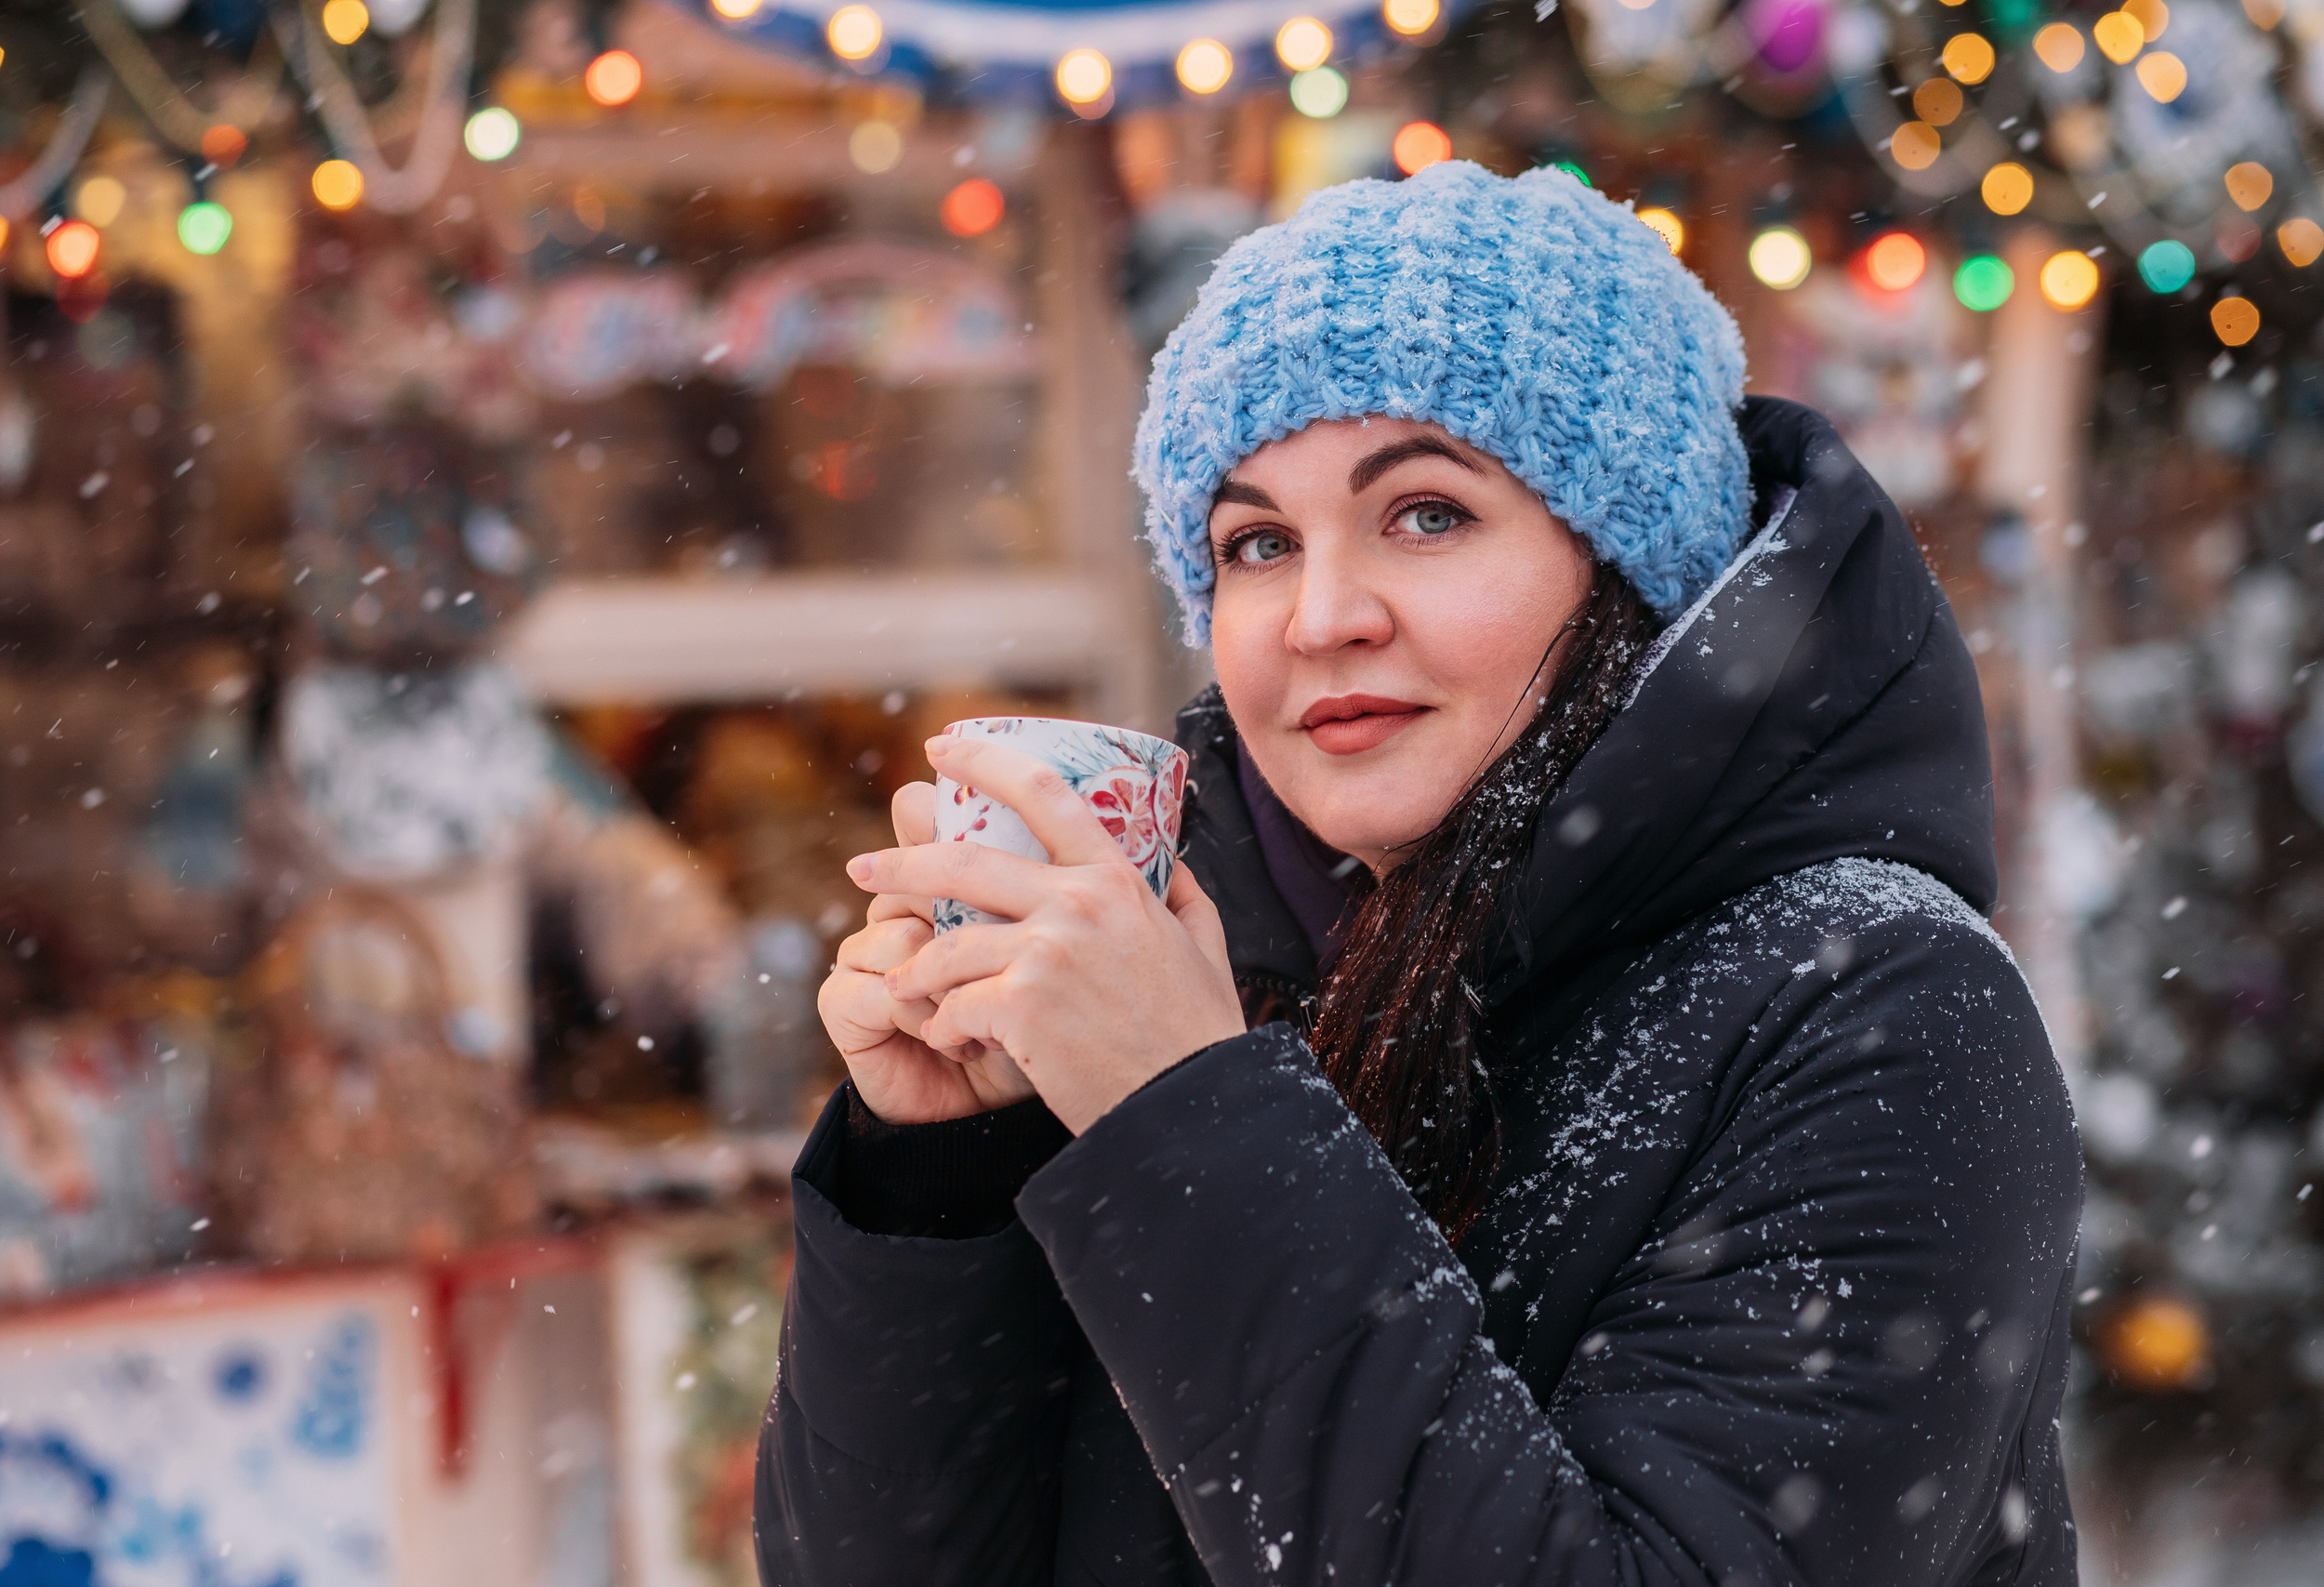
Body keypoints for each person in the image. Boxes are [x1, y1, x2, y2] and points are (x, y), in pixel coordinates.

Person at [755, 162, 2082, 1586]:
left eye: (1428, 513)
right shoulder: (1224, 977)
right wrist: (950, 1170)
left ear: (1630, 562)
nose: (1322, 617)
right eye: (1256, 543)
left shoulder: (1878, 1011)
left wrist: (1184, 1117)